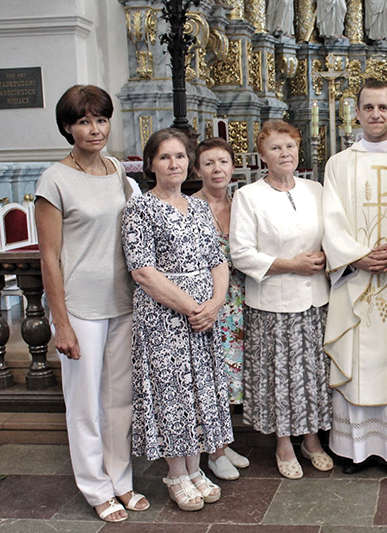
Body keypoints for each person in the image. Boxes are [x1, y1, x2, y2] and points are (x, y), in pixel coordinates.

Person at [36, 84, 148, 524]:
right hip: (80, 304)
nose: (94, 129)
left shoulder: (119, 170)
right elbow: (48, 256)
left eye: (100, 119)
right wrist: (60, 322)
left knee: (118, 399)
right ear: (68, 127)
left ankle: (120, 479)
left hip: (122, 300)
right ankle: (95, 487)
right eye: (84, 121)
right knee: (83, 401)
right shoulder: (55, 179)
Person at [122, 128, 232, 512]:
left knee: (200, 389)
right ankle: (175, 473)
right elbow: (143, 272)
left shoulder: (198, 206)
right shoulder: (140, 208)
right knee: (172, 393)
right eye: (165, 157)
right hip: (164, 318)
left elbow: (218, 261)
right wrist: (192, 307)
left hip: (204, 315)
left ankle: (195, 466)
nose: (174, 163)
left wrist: (215, 303)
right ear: (150, 164)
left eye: (180, 156)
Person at [323, 79, 387, 476]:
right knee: (357, 359)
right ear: (357, 112)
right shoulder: (339, 163)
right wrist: (357, 256)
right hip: (355, 278)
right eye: (368, 107)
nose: (376, 114)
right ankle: (355, 450)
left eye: (383, 107)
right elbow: (330, 218)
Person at [230, 120, 333, 480]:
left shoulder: (316, 189)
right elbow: (241, 254)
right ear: (262, 155)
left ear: (298, 149)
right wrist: (292, 264)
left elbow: (332, 235)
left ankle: (313, 439)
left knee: (312, 374)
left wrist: (324, 256)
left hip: (316, 300)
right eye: (275, 148)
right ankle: (284, 443)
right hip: (273, 303)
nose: (284, 153)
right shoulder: (248, 196)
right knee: (281, 378)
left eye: (289, 146)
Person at [193, 138, 251, 481]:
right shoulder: (190, 207)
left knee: (230, 378)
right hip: (208, 303)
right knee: (211, 376)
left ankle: (222, 441)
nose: (217, 170)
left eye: (224, 162)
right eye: (209, 163)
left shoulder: (242, 203)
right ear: (197, 169)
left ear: (233, 166)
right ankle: (213, 453)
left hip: (240, 301)